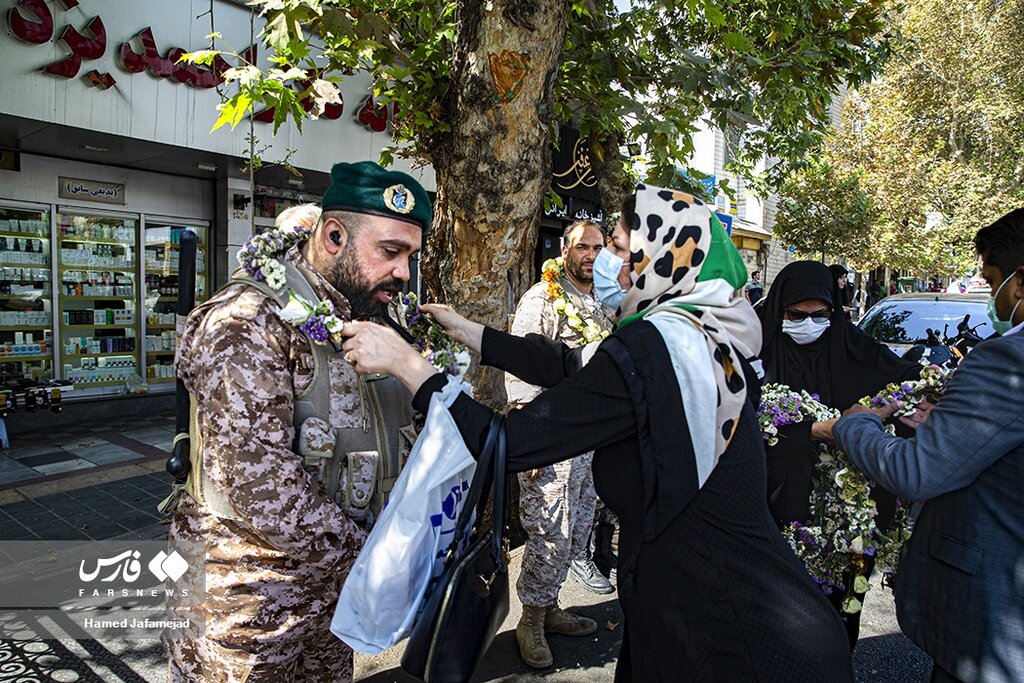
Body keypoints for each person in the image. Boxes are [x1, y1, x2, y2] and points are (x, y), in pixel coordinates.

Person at [341, 184, 854, 681]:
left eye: (627, 254)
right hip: (732, 600)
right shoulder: (699, 329)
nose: (617, 268)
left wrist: (409, 366)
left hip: (725, 626)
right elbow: (570, 363)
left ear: (668, 257)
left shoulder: (657, 347)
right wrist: (469, 332)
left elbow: (507, 441)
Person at [165, 161, 431, 682]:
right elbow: (255, 480)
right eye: (390, 251)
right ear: (333, 235)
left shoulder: (374, 316)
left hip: (332, 598)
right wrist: (375, 560)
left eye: (410, 256)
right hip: (245, 607)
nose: (403, 271)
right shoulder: (245, 322)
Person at [834, 209, 1024, 683]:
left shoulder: (1006, 359)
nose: (990, 296)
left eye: (991, 280)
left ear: (1019, 284)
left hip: (993, 626)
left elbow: (917, 472)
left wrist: (855, 426)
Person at [757, 260, 924, 649]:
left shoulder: (857, 350)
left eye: (821, 315)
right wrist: (812, 431)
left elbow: (909, 385)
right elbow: (735, 427)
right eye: (796, 315)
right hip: (773, 508)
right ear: (778, 308)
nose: (809, 323)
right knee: (775, 622)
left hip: (850, 521)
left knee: (841, 616)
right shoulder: (754, 353)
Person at [506, 219, 614, 668]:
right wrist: (529, 438)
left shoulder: (602, 299)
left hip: (589, 440)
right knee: (549, 531)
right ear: (565, 250)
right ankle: (529, 621)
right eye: (583, 247)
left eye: (598, 248)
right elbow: (521, 366)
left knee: (577, 527)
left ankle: (549, 608)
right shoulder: (543, 297)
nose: (591, 255)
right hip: (550, 438)